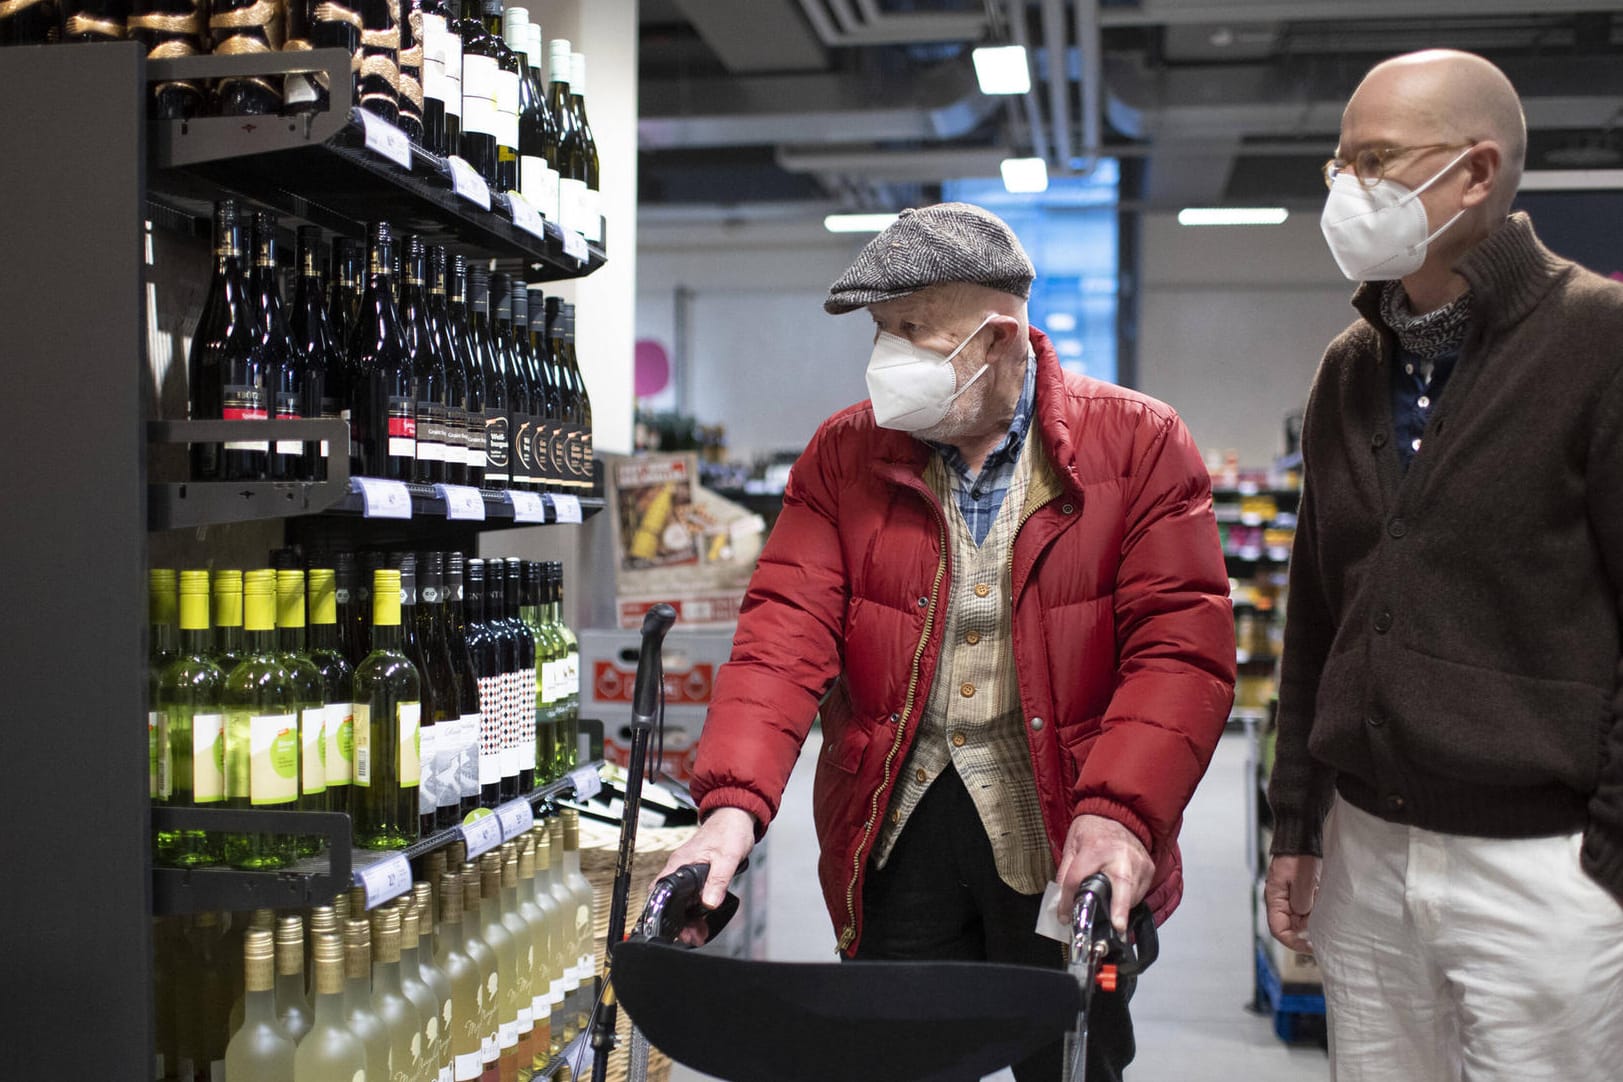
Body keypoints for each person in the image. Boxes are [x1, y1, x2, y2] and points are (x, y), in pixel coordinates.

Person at [658, 202, 1236, 1081]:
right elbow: (783, 632)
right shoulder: (843, 454)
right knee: (895, 1057)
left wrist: (1120, 816)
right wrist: (730, 808)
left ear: (999, 338)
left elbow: (1178, 652)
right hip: (894, 828)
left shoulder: (1140, 443)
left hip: (1063, 830)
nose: (884, 357)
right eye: (880, 331)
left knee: (1069, 1058)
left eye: (911, 331)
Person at [1265, 49, 1623, 1079]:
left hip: (1543, 867)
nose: (1347, 189)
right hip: (1367, 851)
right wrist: (1298, 816)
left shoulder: (1598, 343)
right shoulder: (1350, 367)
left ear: (1475, 173)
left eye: (1375, 160)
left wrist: (1606, 857)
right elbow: (1319, 614)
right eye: (1339, 163)